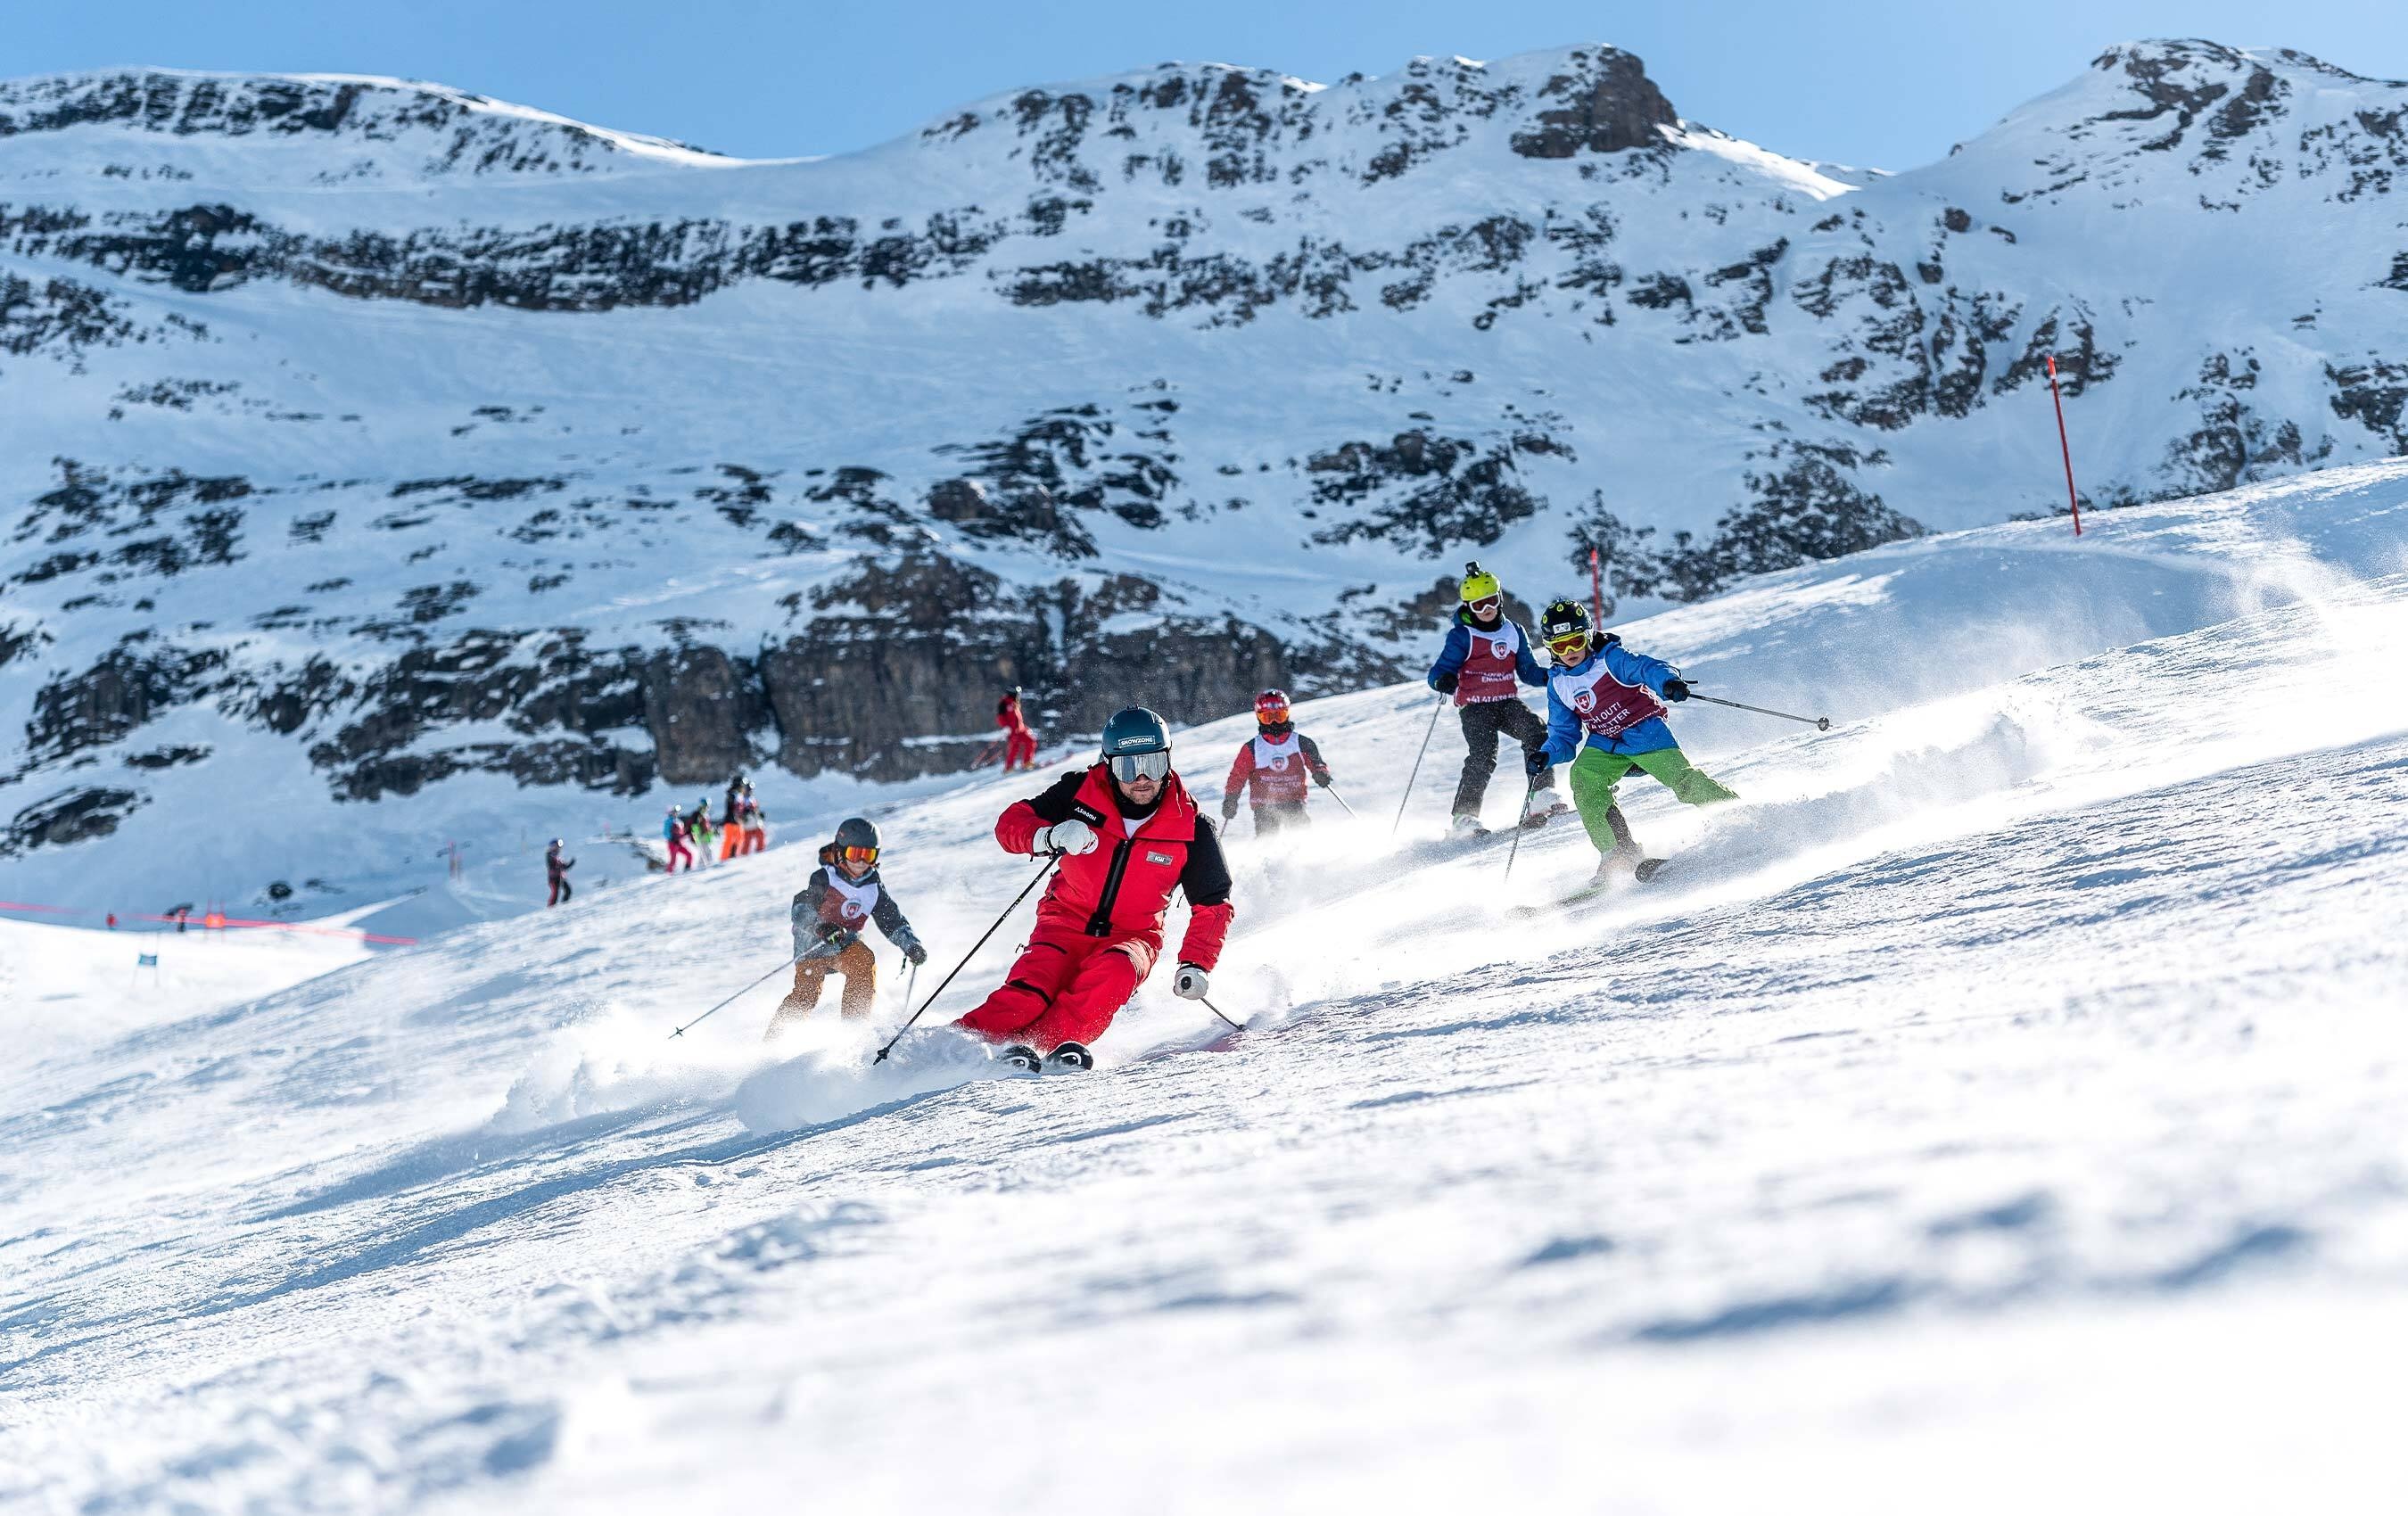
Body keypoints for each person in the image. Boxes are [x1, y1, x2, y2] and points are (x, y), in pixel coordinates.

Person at [955, 706, 1233, 1071]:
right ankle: (950, 1051)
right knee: (1026, 998)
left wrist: (1197, 964)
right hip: (1063, 923)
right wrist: (1048, 835)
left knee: (1112, 976)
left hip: (1133, 937)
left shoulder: (1191, 828)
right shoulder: (1080, 793)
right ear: (1109, 765)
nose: (1143, 778)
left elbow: (1214, 905)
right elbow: (1011, 823)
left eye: (1153, 763)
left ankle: (1039, 1049)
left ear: (1168, 760)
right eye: (1128, 767)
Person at [1525, 598, 1738, 885]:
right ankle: (1618, 853)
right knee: (1584, 777)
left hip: (1644, 732)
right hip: (1606, 742)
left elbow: (1647, 668)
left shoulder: (1610, 660)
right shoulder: (1559, 683)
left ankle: (1736, 817)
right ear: (1551, 648)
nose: (1570, 651)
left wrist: (1668, 682)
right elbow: (1564, 735)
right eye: (1561, 646)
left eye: (1575, 641)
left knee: (1683, 782)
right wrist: (1547, 755)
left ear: (1587, 636)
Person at [1424, 562, 1564, 835]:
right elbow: (1438, 672)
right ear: (1468, 607)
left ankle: (1541, 794)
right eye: (1478, 605)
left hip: (1505, 701)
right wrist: (1444, 680)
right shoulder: (1463, 635)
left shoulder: (1513, 631)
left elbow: (1527, 671)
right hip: (1474, 706)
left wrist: (1551, 677)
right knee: (1483, 754)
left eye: (1490, 601)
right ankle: (1464, 817)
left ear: (1499, 599)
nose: (1486, 610)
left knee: (1537, 732)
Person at [766, 817, 929, 1036]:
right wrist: (821, 927)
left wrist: (910, 945)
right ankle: (776, 1038)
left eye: (869, 855)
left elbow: (892, 920)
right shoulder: (825, 877)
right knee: (807, 993)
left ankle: (854, 1031)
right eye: (855, 854)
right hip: (813, 947)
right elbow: (801, 909)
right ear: (841, 852)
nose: (861, 862)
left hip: (845, 946)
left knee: (864, 961)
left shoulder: (873, 887)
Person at [1220, 688, 1333, 836]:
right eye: (1268, 718)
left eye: (1278, 717)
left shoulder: (1300, 742)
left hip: (1294, 800)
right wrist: (1231, 799)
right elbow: (1237, 776)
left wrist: (1321, 773)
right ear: (1259, 717)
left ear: (1287, 714)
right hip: (1264, 805)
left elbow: (1317, 763)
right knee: (1267, 838)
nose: (1274, 723)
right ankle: (1266, 857)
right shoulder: (1252, 748)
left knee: (1301, 833)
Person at [997, 686, 1040, 772]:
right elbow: (1000, 717)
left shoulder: (1014, 702)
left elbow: (1017, 719)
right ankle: (1009, 767)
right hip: (1012, 731)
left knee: (1031, 741)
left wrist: (1025, 727)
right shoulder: (1004, 703)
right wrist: (1005, 727)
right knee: (1014, 748)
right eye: (1018, 694)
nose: (1019, 696)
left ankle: (1027, 762)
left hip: (1020, 729)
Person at [663, 805, 695, 873]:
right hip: (673, 843)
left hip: (679, 843)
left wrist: (687, 834)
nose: (676, 813)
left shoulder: (679, 821)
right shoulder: (669, 821)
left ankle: (687, 870)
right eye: (675, 812)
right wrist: (672, 839)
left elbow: (681, 833)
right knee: (673, 860)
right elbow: (666, 833)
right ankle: (668, 874)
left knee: (689, 854)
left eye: (677, 812)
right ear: (671, 812)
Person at [687, 796, 717, 866]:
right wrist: (697, 836)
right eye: (706, 805)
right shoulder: (697, 814)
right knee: (706, 852)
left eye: (708, 806)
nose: (707, 807)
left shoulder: (705, 814)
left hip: (706, 836)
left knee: (705, 853)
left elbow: (707, 826)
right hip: (701, 837)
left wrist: (712, 832)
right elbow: (694, 826)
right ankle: (708, 866)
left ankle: (704, 866)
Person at [545, 839, 574, 906]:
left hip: (560, 878)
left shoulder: (557, 857)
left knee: (568, 890)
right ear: (551, 847)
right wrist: (559, 866)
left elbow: (564, 867)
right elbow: (551, 864)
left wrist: (571, 863)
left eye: (558, 847)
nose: (557, 848)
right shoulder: (549, 855)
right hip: (553, 879)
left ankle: (564, 904)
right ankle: (551, 907)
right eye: (555, 846)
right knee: (555, 893)